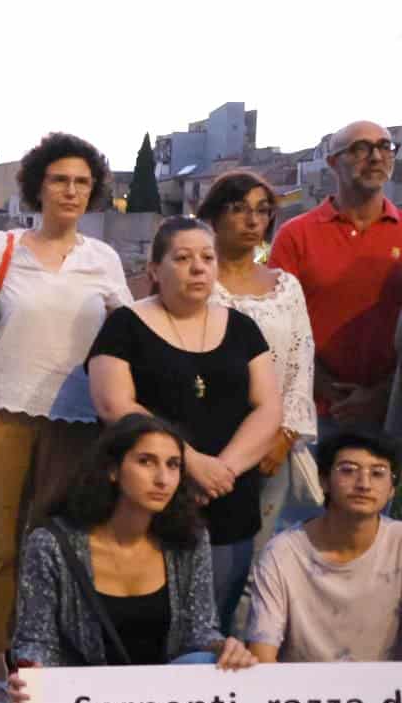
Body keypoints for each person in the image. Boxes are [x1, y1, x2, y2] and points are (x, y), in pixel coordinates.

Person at [8, 413, 257, 703]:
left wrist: (228, 647)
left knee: (205, 668)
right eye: (146, 462)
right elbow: (36, 641)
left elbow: (200, 632)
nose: (163, 477)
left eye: (173, 465)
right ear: (111, 469)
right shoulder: (54, 543)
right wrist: (29, 679)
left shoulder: (189, 541)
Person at [0, 132, 131, 703]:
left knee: (56, 548)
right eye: (60, 180)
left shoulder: (103, 260)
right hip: (1, 412)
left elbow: (126, 337)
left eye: (82, 181)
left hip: (79, 424)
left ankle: (42, 667)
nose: (72, 191)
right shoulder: (2, 249)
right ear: (38, 187)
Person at [88, 217, 282, 632]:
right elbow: (114, 403)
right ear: (155, 270)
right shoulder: (125, 326)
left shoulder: (243, 328)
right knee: (147, 625)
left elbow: (268, 408)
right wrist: (187, 463)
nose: (198, 267)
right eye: (183, 258)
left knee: (212, 625)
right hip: (149, 500)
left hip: (228, 498)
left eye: (207, 258)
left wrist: (221, 471)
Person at [197, 171, 318, 545]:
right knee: (198, 550)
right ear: (214, 216)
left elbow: (302, 360)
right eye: (238, 209)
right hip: (206, 440)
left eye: (262, 211)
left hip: (272, 444)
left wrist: (285, 434)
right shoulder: (196, 280)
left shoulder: (285, 287)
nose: (252, 220)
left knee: (256, 553)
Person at [269, 121, 402, 438]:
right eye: (360, 148)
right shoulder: (296, 235)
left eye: (385, 146)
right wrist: (330, 391)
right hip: (313, 413)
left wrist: (381, 395)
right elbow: (279, 326)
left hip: (392, 412)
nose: (375, 156)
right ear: (332, 163)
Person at [247, 430, 402, 665]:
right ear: (323, 480)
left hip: (387, 695)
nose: (364, 484)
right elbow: (262, 655)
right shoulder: (282, 552)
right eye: (348, 470)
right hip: (304, 697)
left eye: (378, 473)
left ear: (392, 488)